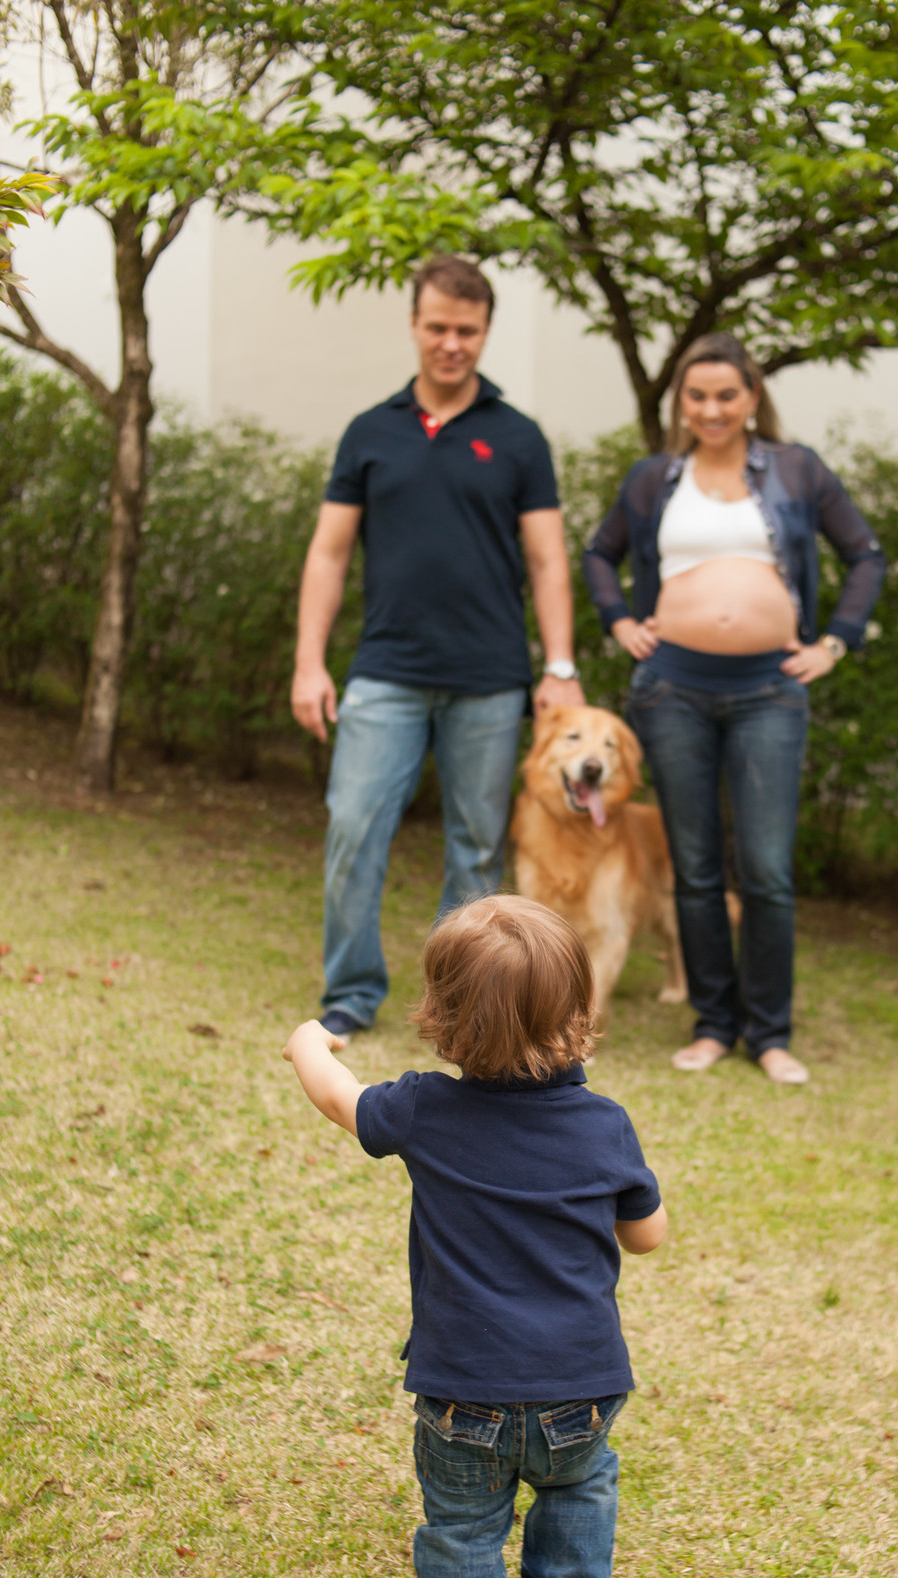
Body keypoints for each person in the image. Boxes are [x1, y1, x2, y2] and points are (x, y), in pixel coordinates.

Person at [282, 894, 666, 1578]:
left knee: (462, 1531)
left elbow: (339, 1100)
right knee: (581, 1480)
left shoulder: (425, 1110)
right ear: (577, 1008)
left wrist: (310, 1041)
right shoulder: (604, 1126)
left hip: (466, 1395)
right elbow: (646, 1238)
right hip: (585, 1386)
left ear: (442, 1018)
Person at [292, 255, 585, 1046]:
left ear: (484, 332)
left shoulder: (518, 438)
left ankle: (466, 1007)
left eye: (466, 330)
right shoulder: (370, 431)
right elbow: (327, 553)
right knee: (353, 826)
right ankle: (350, 991)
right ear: (414, 326)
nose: (450, 344)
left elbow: (548, 560)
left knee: (476, 851)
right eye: (436, 328)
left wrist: (558, 664)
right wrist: (309, 662)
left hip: (488, 680)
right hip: (385, 671)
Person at [584, 332, 886, 1084]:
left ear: (751, 398)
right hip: (672, 690)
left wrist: (835, 642)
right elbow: (598, 553)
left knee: (765, 868)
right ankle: (713, 1024)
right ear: (680, 404)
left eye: (726, 395)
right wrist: (620, 620)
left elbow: (865, 556)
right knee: (693, 865)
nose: (711, 409)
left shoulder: (795, 470)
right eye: (696, 396)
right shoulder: (654, 479)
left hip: (767, 693)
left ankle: (770, 1032)